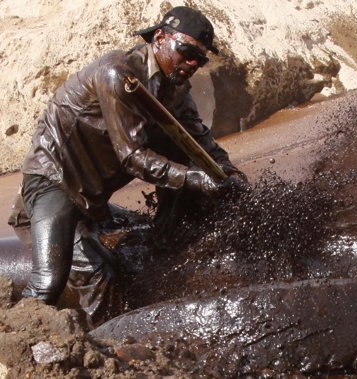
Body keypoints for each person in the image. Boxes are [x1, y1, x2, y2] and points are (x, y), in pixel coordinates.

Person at [7, 6, 246, 316]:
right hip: (55, 181)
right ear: (160, 37)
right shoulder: (117, 75)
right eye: (186, 51)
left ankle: (168, 235)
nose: (191, 63)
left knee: (182, 149)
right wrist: (192, 179)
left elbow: (203, 146)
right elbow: (132, 158)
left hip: (93, 197)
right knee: (55, 282)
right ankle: (25, 343)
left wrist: (233, 178)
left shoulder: (176, 92)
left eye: (199, 59)